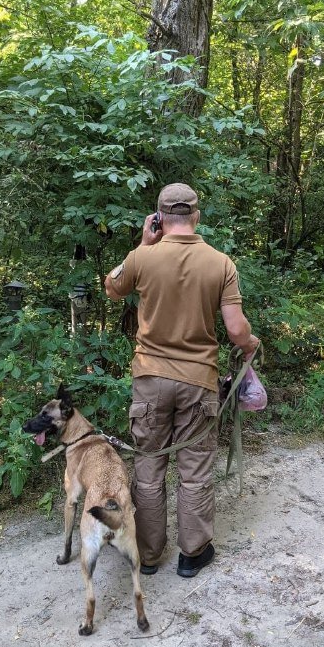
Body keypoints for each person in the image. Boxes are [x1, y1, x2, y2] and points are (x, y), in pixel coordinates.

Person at [104, 183, 259, 578]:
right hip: (198, 382)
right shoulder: (221, 263)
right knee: (194, 469)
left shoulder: (142, 257)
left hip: (149, 379)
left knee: (149, 467)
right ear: (196, 216)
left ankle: (149, 555)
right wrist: (251, 344)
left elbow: (111, 286)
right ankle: (192, 554)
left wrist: (143, 243)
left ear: (158, 217)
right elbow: (237, 330)